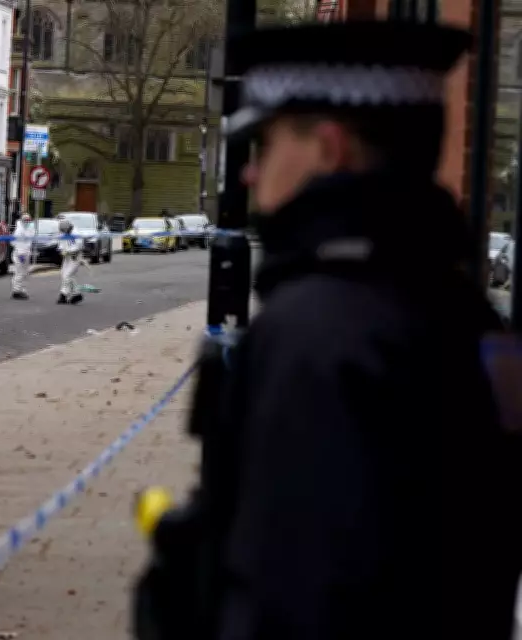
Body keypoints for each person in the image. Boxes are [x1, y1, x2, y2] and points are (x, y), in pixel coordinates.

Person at [135, 20, 522, 640]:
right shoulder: (462, 310)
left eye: (266, 145)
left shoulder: (321, 331)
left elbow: (295, 590)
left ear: (329, 148)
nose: (250, 176)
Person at [57, 218, 84, 305]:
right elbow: (61, 243)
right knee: (64, 274)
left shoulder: (76, 233)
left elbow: (78, 246)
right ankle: (76, 294)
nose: (64, 232)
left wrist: (69, 251)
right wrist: (62, 250)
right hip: (67, 257)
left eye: (65, 230)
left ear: (68, 228)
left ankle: (64, 295)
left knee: (67, 275)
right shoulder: (63, 233)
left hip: (75, 256)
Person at [11, 213, 34, 299]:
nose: (27, 222)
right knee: (19, 272)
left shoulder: (29, 229)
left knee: (24, 273)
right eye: (25, 220)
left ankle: (21, 290)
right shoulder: (19, 230)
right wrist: (20, 254)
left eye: (28, 220)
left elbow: (29, 242)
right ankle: (16, 291)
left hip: (26, 253)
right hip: (20, 254)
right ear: (22, 220)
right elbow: (15, 243)